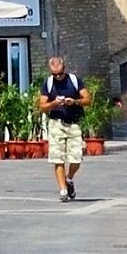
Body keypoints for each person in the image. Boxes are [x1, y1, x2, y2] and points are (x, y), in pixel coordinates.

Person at [39, 59, 90, 201]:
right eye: (54, 74)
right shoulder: (48, 84)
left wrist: (75, 102)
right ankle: (63, 191)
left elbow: (87, 99)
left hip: (74, 123)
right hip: (56, 124)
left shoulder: (74, 81)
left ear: (64, 69)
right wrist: (54, 103)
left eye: (60, 74)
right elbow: (42, 106)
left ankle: (69, 178)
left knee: (76, 158)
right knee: (58, 158)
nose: (58, 77)